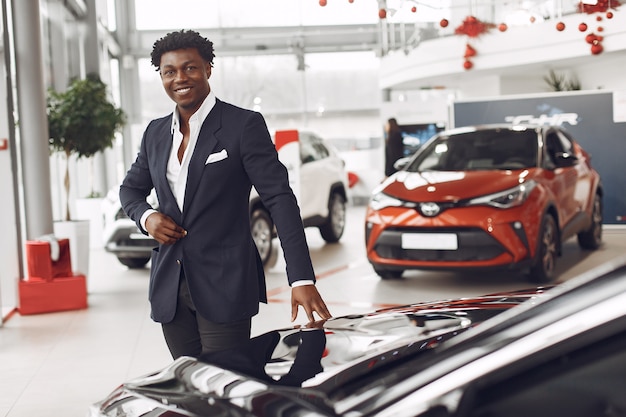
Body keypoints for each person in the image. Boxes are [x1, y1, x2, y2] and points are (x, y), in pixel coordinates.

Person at [119, 29, 332, 359]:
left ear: (208, 68)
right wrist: (146, 218)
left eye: (189, 67)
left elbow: (279, 198)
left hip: (226, 282)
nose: (180, 78)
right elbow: (130, 189)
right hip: (170, 284)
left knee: (226, 385)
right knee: (188, 382)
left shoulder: (242, 125)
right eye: (169, 72)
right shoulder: (155, 133)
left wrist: (300, 277)